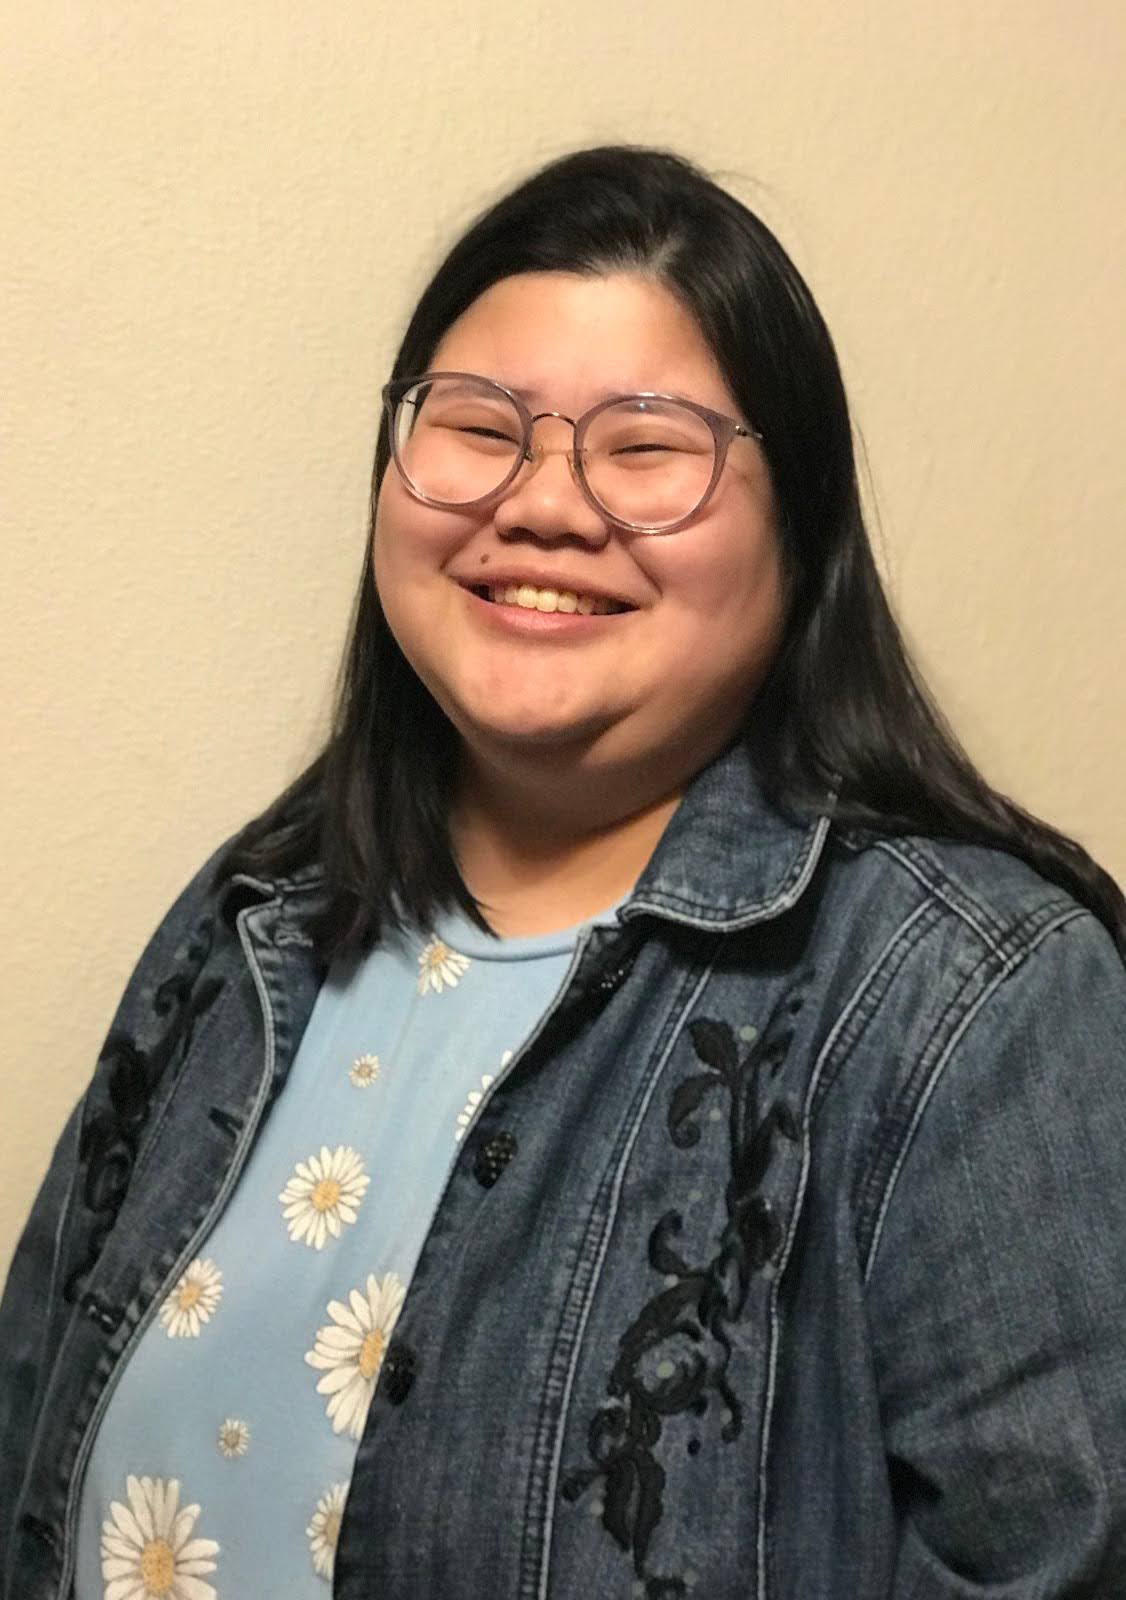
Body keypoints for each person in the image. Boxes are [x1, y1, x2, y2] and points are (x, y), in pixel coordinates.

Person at [2, 145, 1124, 1600]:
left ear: (803, 533)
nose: (542, 503)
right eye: (477, 428)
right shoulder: (260, 911)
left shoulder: (977, 1009)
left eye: (646, 446)